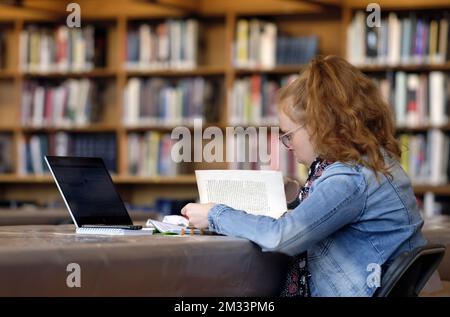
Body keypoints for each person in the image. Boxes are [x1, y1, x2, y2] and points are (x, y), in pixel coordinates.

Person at [180, 55, 426, 297]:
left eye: (288, 134)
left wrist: (214, 214)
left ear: (319, 125)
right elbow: (337, 212)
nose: (287, 144)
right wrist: (297, 195)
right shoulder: (376, 163)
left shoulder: (349, 178)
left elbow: (283, 237)